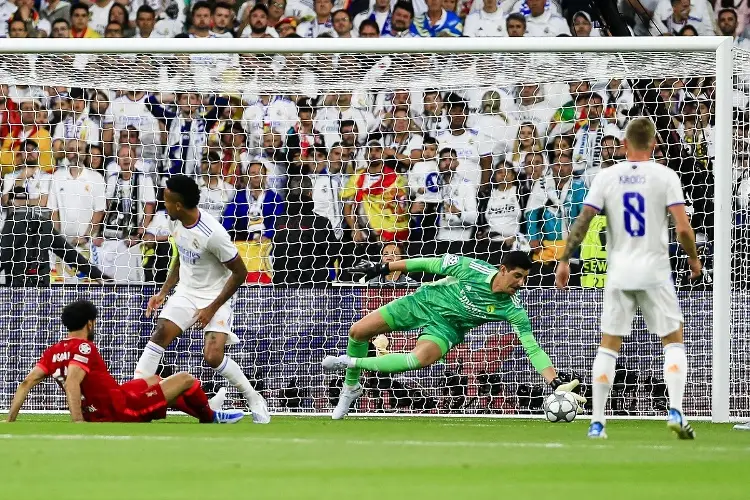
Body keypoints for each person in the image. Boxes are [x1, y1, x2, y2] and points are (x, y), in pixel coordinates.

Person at [554, 117, 700, 440]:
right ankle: (675, 409)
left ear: (623, 145)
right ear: (654, 145)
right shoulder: (665, 176)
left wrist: (564, 260)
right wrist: (692, 258)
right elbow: (683, 228)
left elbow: (582, 220)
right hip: (655, 271)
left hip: (618, 272)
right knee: (672, 340)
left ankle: (597, 423)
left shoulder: (607, 176)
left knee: (609, 346)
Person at [321, 251, 584, 419]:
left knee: (418, 359)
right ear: (502, 270)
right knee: (357, 331)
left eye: (525, 278)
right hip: (421, 303)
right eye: (517, 276)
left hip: (446, 329)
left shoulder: (514, 310)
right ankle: (351, 387)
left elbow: (533, 348)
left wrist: (555, 382)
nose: (520, 283)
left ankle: (349, 362)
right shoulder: (471, 268)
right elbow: (427, 263)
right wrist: (382, 269)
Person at [132, 174, 271, 424]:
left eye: (166, 200)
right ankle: (133, 398)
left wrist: (212, 307)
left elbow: (241, 273)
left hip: (214, 295)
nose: (163, 204)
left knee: (213, 355)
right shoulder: (174, 221)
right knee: (161, 332)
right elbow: (181, 258)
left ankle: (253, 397)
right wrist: (163, 292)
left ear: (178, 205)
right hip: (186, 292)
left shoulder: (213, 233)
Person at [6, 300, 244, 424]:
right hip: (119, 409)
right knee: (185, 379)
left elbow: (27, 382)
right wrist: (77, 421)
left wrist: (10, 418)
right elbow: (72, 382)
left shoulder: (53, 350)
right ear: (90, 323)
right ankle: (210, 416)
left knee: (153, 379)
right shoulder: (85, 347)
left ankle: (203, 407)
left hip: (108, 401)